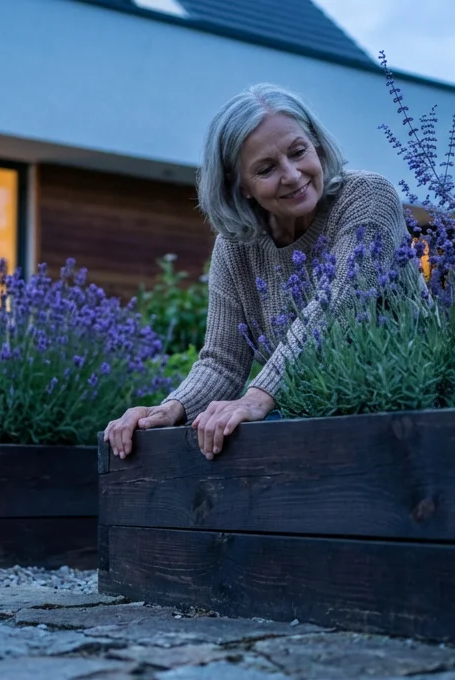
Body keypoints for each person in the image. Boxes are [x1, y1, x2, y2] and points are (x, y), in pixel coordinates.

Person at [104, 83, 410, 460]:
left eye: (298, 152)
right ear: (241, 186)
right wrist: (171, 409)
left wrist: (258, 396)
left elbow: (338, 306)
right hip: (314, 430)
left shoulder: (367, 198)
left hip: (409, 414)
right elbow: (223, 359)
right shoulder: (236, 245)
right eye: (266, 169)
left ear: (316, 145)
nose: (293, 175)